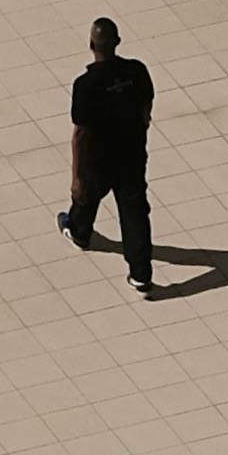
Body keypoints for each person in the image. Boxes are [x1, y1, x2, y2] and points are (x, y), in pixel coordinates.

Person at [61, 18, 156, 292]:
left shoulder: (86, 85)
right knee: (135, 212)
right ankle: (141, 275)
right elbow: (147, 102)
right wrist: (142, 124)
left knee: (86, 195)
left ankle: (80, 232)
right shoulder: (137, 71)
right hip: (132, 154)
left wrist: (76, 175)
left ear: (92, 45)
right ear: (117, 43)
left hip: (99, 158)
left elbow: (80, 134)